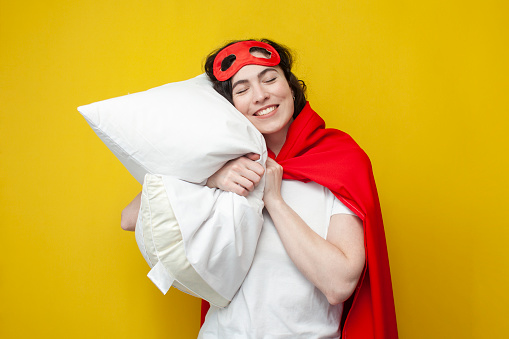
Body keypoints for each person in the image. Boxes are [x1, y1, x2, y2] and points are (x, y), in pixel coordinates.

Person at [121, 39, 398, 338]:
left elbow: (339, 285)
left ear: (291, 87)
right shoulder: (220, 165)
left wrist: (274, 200)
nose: (260, 95)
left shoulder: (339, 160)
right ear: (230, 108)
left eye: (269, 79)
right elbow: (131, 217)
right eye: (242, 90)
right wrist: (210, 176)